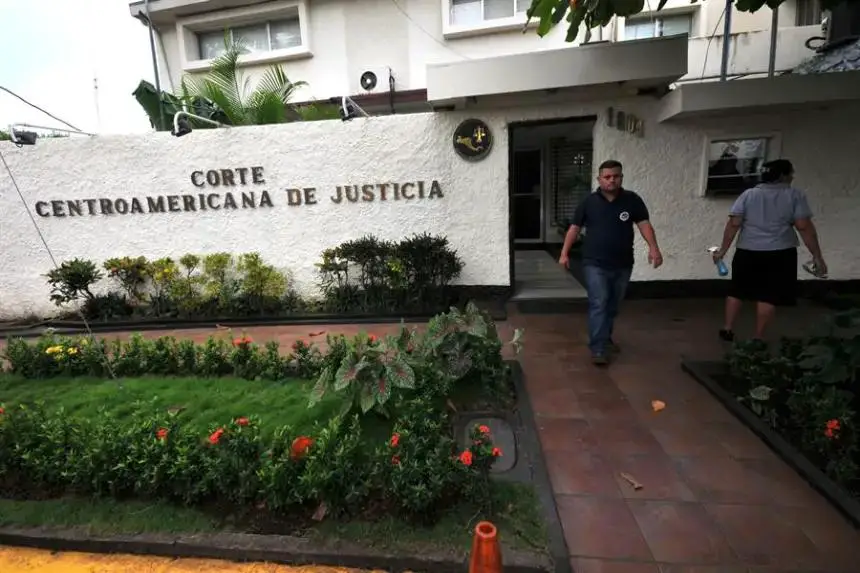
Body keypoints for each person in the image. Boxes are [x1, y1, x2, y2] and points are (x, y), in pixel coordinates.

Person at [559, 159, 663, 365]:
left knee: (613, 305)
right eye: (607, 177)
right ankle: (598, 348)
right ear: (599, 179)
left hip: (623, 263)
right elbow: (574, 228)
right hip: (594, 262)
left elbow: (644, 225)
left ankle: (605, 337)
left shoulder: (632, 200)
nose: (611, 180)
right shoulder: (589, 202)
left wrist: (654, 248)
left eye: (615, 176)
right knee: (599, 302)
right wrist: (564, 253)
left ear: (621, 177)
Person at [712, 159, 827, 342]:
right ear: (783, 175)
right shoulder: (794, 195)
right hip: (780, 253)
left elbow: (734, 224)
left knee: (737, 290)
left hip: (747, 251)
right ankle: (758, 337)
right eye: (790, 173)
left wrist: (722, 251)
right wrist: (817, 256)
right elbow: (803, 226)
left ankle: (727, 328)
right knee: (769, 294)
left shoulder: (748, 195)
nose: (792, 177)